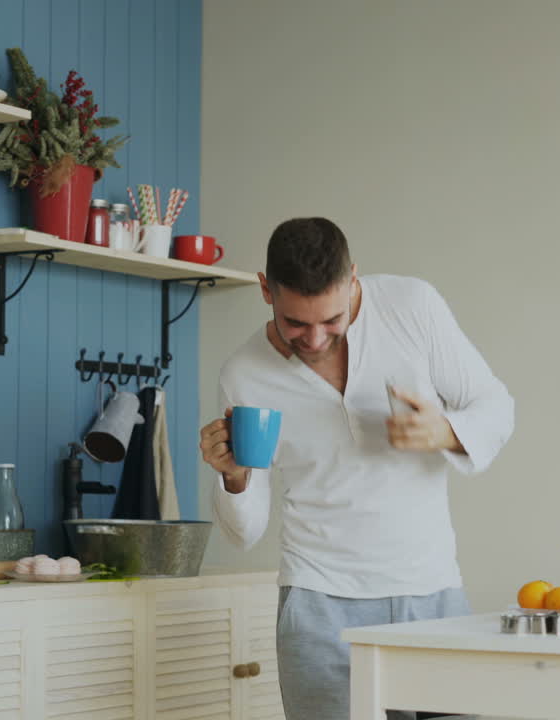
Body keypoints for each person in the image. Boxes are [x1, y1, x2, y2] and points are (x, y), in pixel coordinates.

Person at [199, 217, 515, 720]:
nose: (317, 338)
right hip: (318, 606)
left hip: (430, 592)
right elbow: (244, 532)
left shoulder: (412, 306)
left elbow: (495, 405)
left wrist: (446, 432)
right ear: (266, 290)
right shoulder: (244, 374)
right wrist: (233, 478)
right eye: (296, 323)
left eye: (332, 318)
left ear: (351, 280)